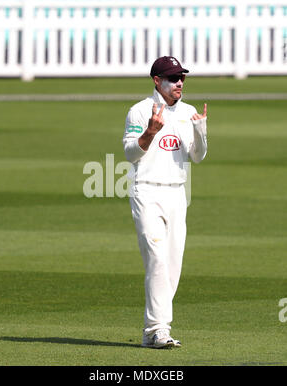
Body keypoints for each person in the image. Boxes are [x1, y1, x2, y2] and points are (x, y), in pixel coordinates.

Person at [123, 56, 207, 349]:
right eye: (172, 79)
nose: (179, 83)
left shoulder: (189, 112)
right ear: (157, 81)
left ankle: (152, 332)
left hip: (177, 193)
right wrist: (150, 131)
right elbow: (130, 153)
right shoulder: (140, 111)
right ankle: (159, 328)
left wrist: (200, 130)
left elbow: (197, 157)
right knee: (157, 259)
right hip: (146, 191)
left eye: (182, 77)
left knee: (172, 265)